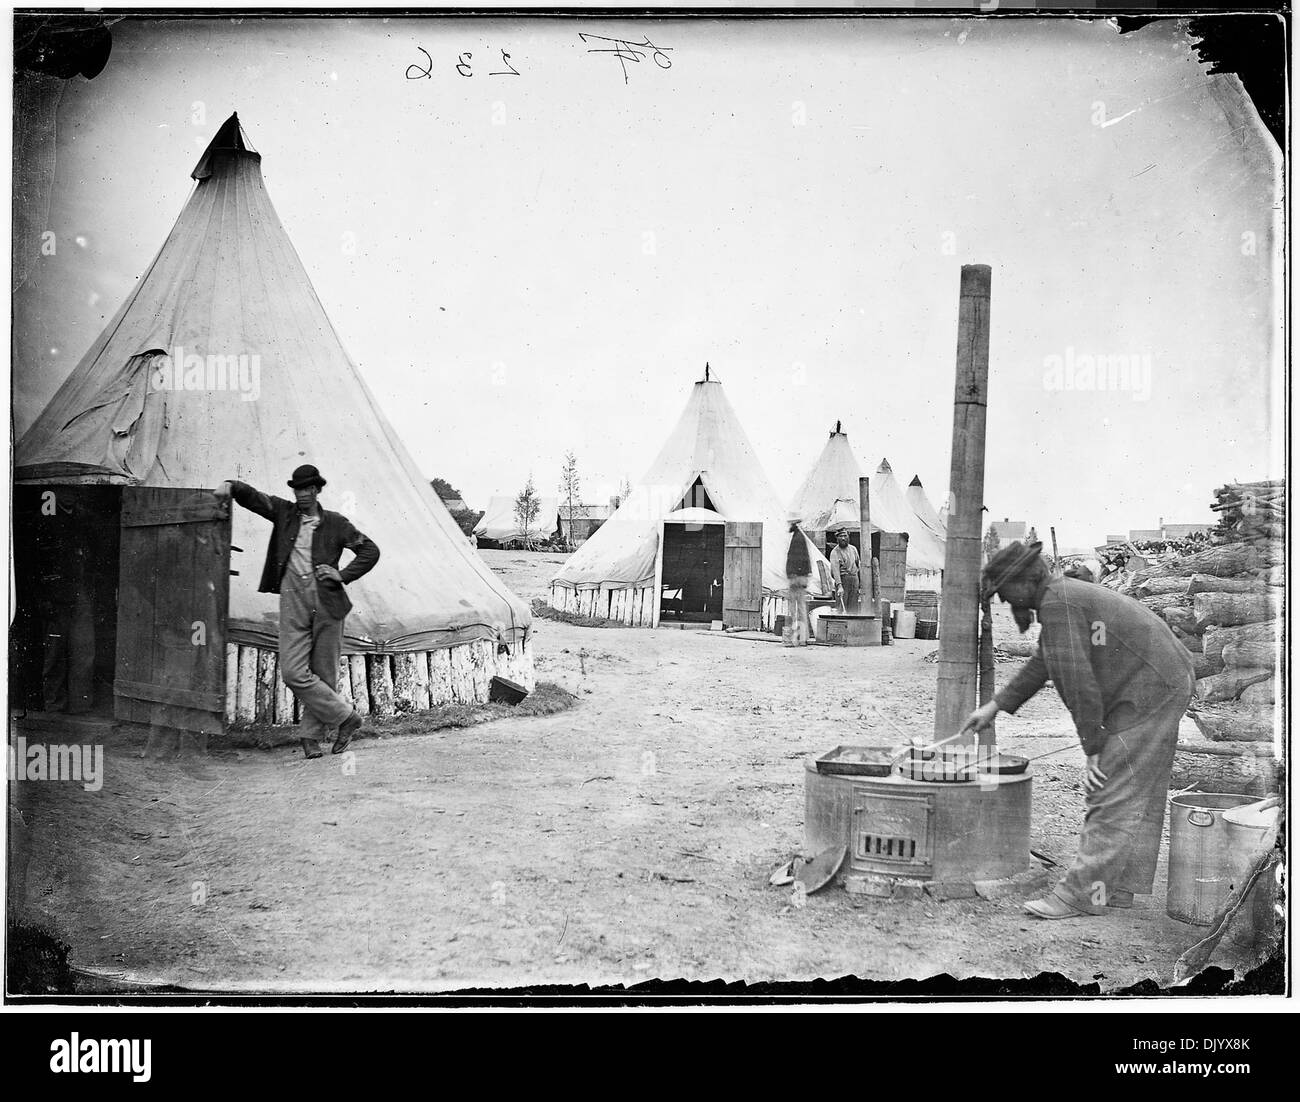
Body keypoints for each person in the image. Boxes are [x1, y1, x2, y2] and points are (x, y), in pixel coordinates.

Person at [960, 541, 1195, 919]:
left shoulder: (1058, 602)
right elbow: (1046, 662)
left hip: (1151, 689)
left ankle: (1079, 896)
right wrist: (996, 705)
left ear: (1025, 581)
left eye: (1006, 590)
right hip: (1162, 680)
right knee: (1137, 786)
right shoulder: (1060, 596)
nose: (1005, 599)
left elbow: (1078, 684)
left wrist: (1094, 749)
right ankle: (1112, 889)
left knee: (1110, 789)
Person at [214, 465, 379, 759]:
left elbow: (369, 551)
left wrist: (342, 575)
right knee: (293, 672)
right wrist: (232, 484)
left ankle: (310, 738)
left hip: (328, 605)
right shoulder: (284, 513)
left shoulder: (337, 523)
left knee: (324, 674)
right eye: (297, 489)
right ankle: (347, 717)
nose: (301, 494)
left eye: (306, 489)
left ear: (316, 490)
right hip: (293, 601)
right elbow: (255, 498)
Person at [829, 528, 861, 612]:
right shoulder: (835, 552)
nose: (843, 538)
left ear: (848, 536)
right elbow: (835, 571)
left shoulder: (853, 549)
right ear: (837, 538)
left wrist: (860, 583)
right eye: (840, 536)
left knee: (853, 607)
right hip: (843, 581)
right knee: (841, 607)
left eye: (845, 535)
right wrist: (839, 586)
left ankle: (853, 624)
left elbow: (858, 564)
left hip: (854, 579)